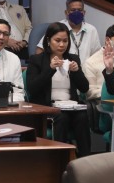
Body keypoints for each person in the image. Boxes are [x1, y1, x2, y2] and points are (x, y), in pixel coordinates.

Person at [27, 22, 90, 157]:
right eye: (57, 40)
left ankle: (85, 159)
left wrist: (76, 71)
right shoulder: (36, 60)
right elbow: (32, 89)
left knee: (83, 116)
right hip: (48, 107)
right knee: (62, 117)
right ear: (48, 41)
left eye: (65, 41)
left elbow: (84, 87)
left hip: (70, 105)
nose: (62, 45)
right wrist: (50, 69)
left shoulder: (73, 59)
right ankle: (59, 158)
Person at [36, 0, 100, 63]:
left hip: (85, 71)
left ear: (84, 12)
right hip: (61, 70)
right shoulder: (58, 27)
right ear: (66, 12)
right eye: (73, 10)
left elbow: (97, 55)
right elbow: (40, 49)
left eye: (79, 10)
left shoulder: (91, 29)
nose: (76, 12)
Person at [83, 23, 114, 100]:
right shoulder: (90, 62)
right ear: (108, 40)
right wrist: (108, 92)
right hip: (103, 104)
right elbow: (90, 91)